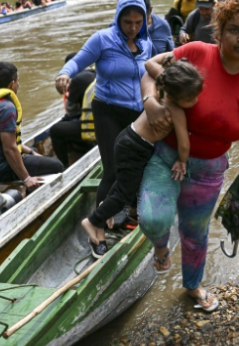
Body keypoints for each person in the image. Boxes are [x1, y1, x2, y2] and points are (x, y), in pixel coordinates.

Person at [139, 0, 239, 312]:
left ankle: (193, 286)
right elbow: (148, 70)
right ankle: (160, 247)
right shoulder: (196, 53)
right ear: (220, 33)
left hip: (210, 168)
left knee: (194, 233)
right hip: (168, 154)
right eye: (233, 30)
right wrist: (150, 102)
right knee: (152, 217)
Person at [82, 59, 202, 258]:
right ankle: (94, 220)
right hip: (136, 147)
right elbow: (184, 144)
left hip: (127, 136)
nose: (196, 101)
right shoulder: (176, 110)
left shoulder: (160, 92)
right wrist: (182, 160)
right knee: (125, 193)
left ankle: (106, 208)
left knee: (122, 183)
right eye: (192, 98)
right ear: (178, 97)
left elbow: (153, 65)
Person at [55, 0, 153, 241]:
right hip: (107, 110)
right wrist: (64, 75)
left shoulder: (146, 43)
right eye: (128, 22)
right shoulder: (102, 39)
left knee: (137, 167)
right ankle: (96, 231)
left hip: (136, 113)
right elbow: (77, 61)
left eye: (138, 23)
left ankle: (132, 212)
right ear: (118, 17)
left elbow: (151, 74)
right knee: (111, 170)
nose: (132, 28)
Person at [0, 62, 63, 190]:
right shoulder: (6, 107)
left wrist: (32, 152)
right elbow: (9, 148)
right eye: (18, 81)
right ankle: (32, 193)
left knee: (32, 150)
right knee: (57, 166)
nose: (18, 84)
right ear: (12, 84)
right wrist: (26, 178)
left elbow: (0, 139)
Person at [49, 53, 97, 168]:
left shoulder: (77, 79)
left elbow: (71, 111)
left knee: (55, 130)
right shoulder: (96, 72)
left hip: (94, 129)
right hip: (107, 123)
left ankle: (63, 166)